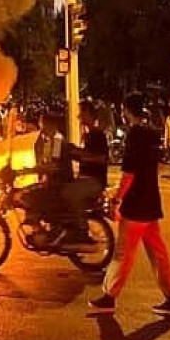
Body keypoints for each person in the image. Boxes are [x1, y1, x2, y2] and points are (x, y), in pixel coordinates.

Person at [89, 93, 170, 317]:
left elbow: (129, 173)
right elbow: (156, 165)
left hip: (135, 205)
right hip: (151, 202)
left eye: (123, 110)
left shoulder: (134, 135)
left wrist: (117, 198)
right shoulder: (152, 132)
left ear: (127, 110)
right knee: (159, 253)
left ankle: (109, 296)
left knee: (123, 254)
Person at [62, 101, 109, 244]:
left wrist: (79, 153)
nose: (78, 116)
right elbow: (84, 156)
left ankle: (81, 230)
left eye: (81, 112)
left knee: (68, 193)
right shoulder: (87, 135)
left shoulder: (97, 134)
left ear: (88, 113)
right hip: (85, 180)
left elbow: (101, 158)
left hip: (94, 182)